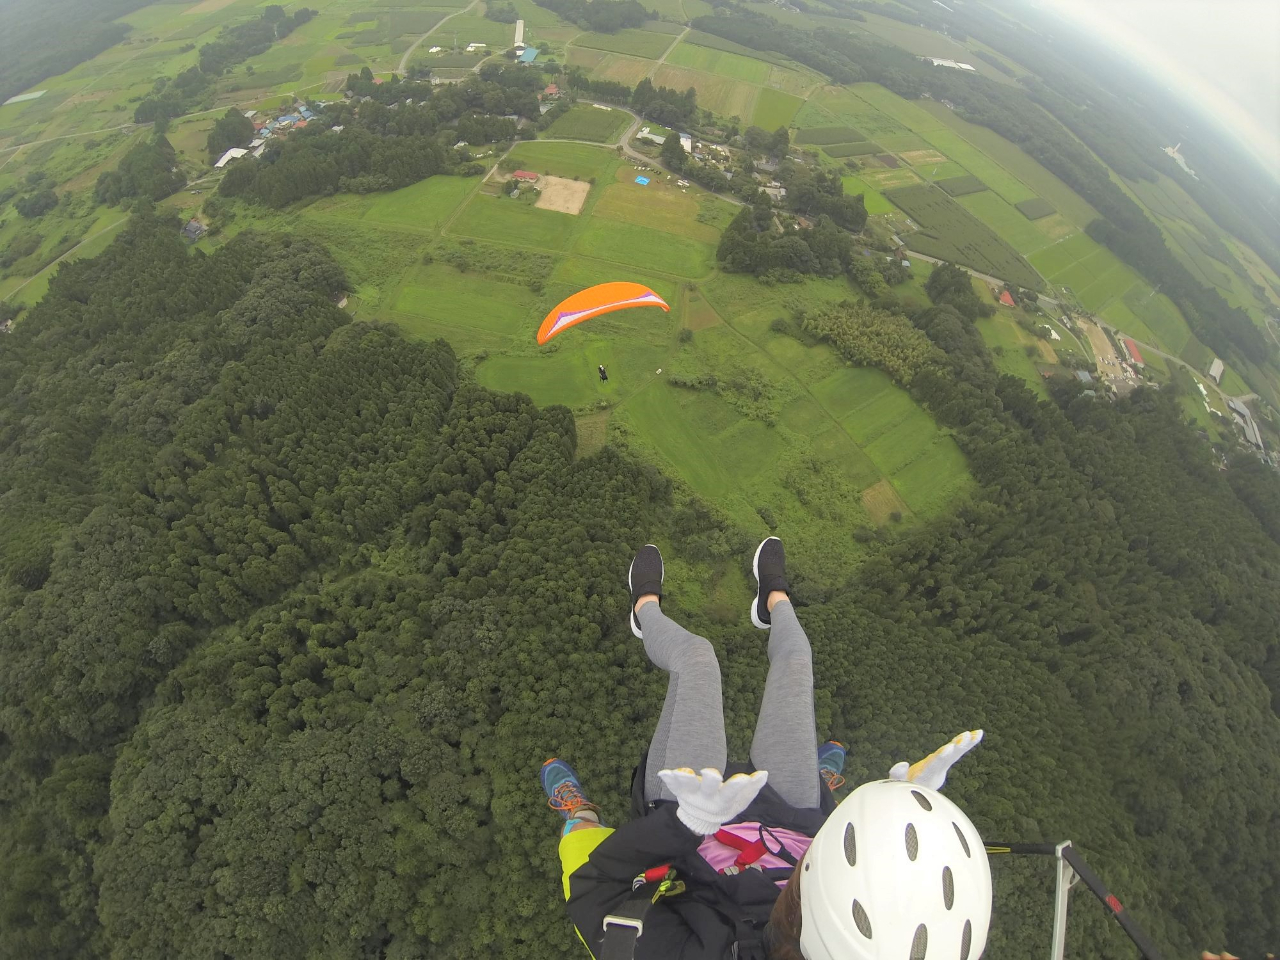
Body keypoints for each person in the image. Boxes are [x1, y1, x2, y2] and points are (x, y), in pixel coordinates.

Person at [543, 538, 991, 960]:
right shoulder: (838, 917)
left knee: (698, 660)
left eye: (808, 890)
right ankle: (773, 599)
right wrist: (893, 809)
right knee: (796, 660)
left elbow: (595, 889)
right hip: (792, 819)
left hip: (688, 833)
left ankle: (644, 614)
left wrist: (685, 824)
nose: (804, 882)